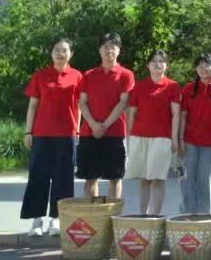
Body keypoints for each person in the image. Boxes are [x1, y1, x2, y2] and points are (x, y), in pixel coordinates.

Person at [21, 38, 83, 236]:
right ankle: (37, 220)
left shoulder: (77, 76)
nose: (60, 54)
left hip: (66, 134)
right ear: (51, 53)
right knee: (38, 177)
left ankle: (56, 220)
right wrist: (28, 131)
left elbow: (79, 106)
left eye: (64, 50)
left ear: (71, 54)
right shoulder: (40, 75)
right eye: (56, 50)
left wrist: (77, 131)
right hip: (41, 134)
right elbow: (32, 105)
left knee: (63, 178)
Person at [77, 33, 135, 199]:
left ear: (119, 50)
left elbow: (123, 102)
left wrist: (104, 125)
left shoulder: (126, 74)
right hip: (89, 133)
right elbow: (82, 103)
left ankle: (112, 213)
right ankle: (92, 213)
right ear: (99, 50)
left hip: (115, 133)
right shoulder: (88, 75)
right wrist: (94, 125)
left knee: (115, 178)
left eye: (113, 46)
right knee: (90, 178)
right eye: (105, 46)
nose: (109, 50)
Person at [125, 50, 181, 215]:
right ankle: (142, 215)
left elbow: (176, 114)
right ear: (148, 65)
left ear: (166, 65)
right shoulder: (139, 86)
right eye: (154, 61)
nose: (157, 64)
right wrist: (129, 137)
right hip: (139, 136)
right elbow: (132, 114)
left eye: (161, 61)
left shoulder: (173, 86)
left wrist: (174, 139)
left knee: (158, 178)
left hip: (162, 138)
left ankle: (155, 216)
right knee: (143, 179)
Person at [179, 53, 211, 213]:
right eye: (200, 66)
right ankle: (186, 215)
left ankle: (204, 217)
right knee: (187, 180)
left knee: (206, 181)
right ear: (196, 69)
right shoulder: (188, 88)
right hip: (190, 141)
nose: (203, 69)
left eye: (207, 65)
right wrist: (181, 139)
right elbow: (183, 116)